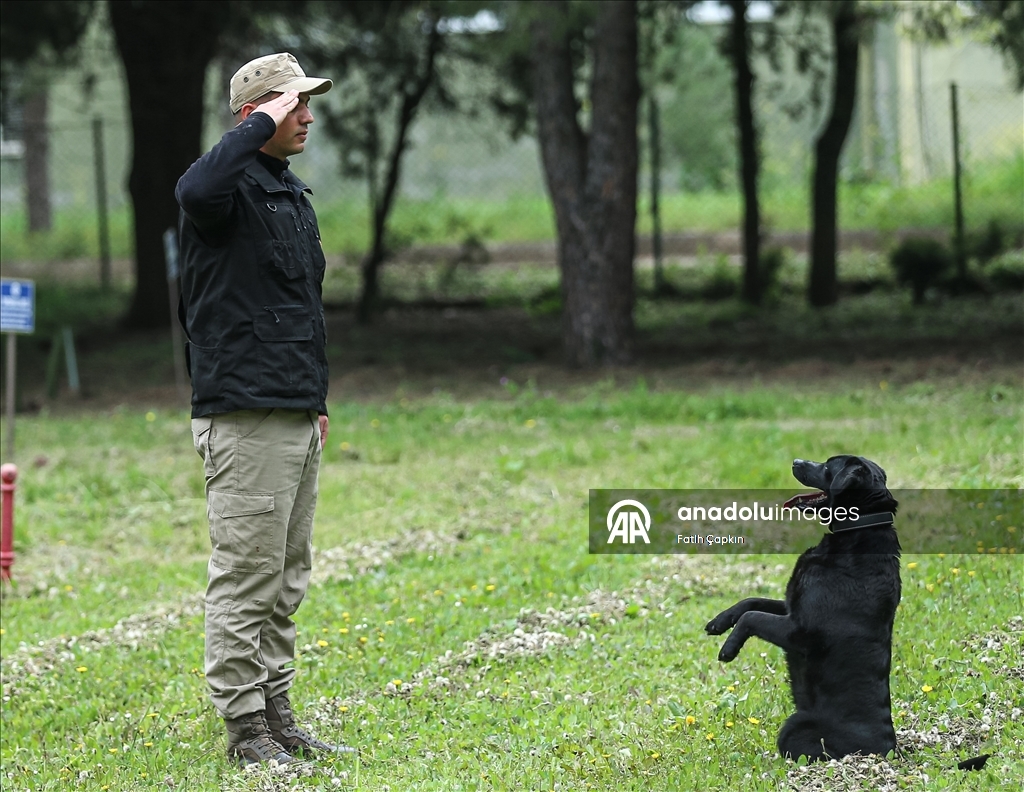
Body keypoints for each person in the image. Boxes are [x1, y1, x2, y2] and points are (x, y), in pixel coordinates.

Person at [175, 52, 352, 766]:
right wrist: (255, 126)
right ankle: (245, 732)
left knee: (286, 575)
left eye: (308, 103)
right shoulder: (223, 190)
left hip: (291, 410)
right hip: (243, 414)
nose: (308, 115)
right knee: (247, 575)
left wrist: (316, 402)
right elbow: (194, 185)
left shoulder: (286, 192)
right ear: (256, 116)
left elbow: (296, 308)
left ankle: (279, 716)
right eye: (293, 105)